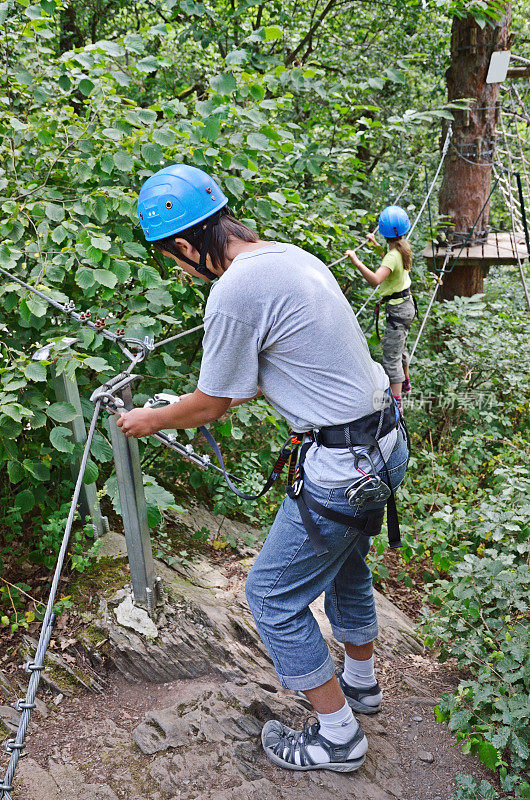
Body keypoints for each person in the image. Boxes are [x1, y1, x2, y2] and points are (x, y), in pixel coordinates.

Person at [117, 164, 410, 773]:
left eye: (173, 257)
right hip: (384, 443)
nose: (178, 268)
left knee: (271, 596)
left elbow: (214, 404)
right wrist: (185, 406)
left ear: (184, 243)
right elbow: (271, 373)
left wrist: (149, 419)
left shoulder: (234, 291)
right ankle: (361, 685)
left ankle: (339, 739)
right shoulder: (289, 257)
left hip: (342, 468)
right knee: (345, 564)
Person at [346, 205, 416, 412]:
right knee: (399, 347)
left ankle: (397, 405)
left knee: (390, 358)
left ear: (383, 229)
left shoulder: (392, 255)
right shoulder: (401, 247)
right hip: (407, 306)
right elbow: (390, 259)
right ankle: (405, 381)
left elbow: (376, 279)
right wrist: (375, 244)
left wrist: (356, 261)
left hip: (397, 311)